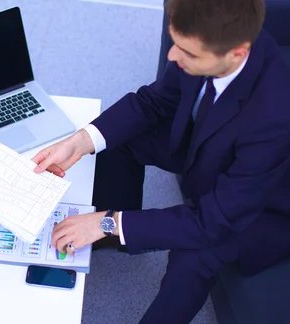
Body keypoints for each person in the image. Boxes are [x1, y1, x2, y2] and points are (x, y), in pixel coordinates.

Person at [32, 0, 290, 323]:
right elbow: (152, 102)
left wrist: (108, 220)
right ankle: (116, 239)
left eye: (187, 53)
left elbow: (211, 222)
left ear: (236, 54)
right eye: (175, 43)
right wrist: (81, 141)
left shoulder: (275, 118)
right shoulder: (210, 37)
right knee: (117, 140)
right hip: (207, 143)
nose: (172, 56)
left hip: (256, 210)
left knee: (194, 258)